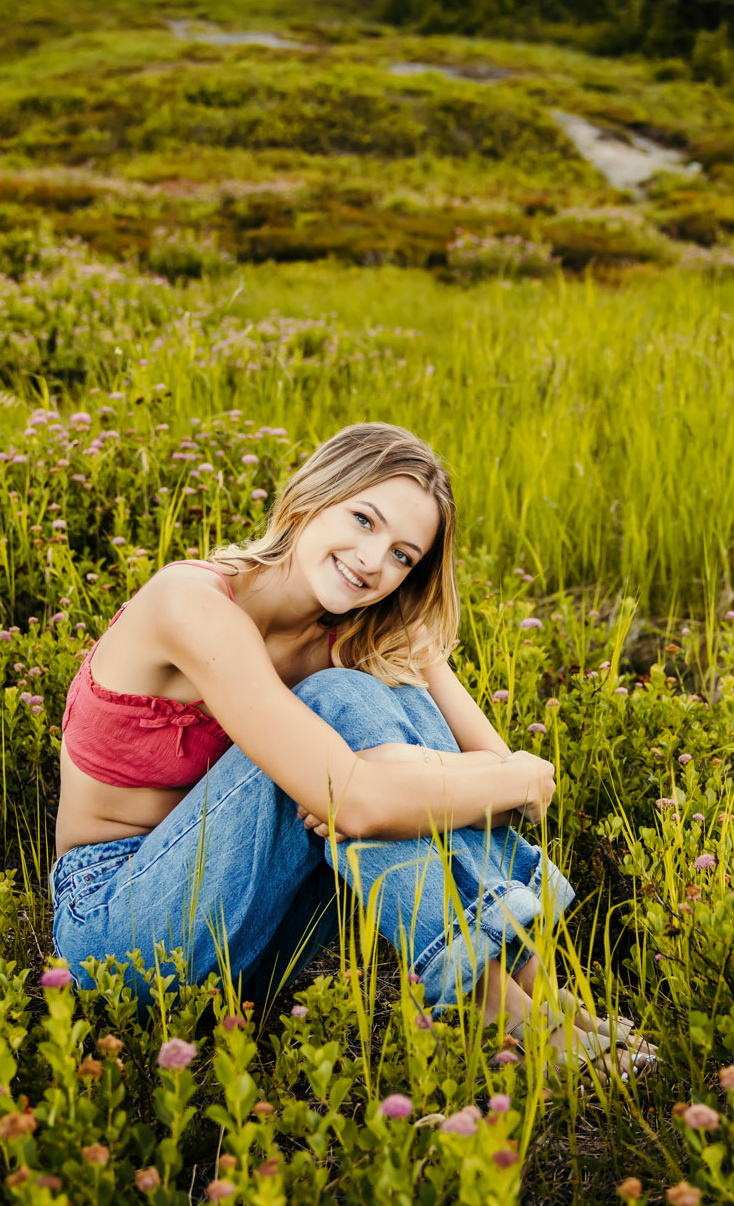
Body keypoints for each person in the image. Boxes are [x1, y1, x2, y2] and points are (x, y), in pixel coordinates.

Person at [49, 421, 644, 1072]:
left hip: (251, 953)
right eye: (363, 519)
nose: (372, 560)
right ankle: (512, 1010)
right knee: (337, 707)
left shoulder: (359, 633)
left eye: (402, 556)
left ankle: (530, 985)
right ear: (313, 494)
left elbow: (493, 784)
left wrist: (415, 743)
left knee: (365, 700)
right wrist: (510, 779)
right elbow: (391, 800)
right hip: (117, 933)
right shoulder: (189, 603)